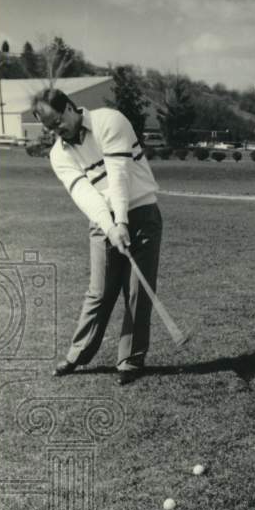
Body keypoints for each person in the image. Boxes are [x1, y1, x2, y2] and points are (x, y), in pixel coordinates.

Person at [33, 88, 164, 386]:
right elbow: (85, 194)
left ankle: (130, 360)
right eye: (50, 129)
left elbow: (118, 176)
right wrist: (111, 226)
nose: (57, 132)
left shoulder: (110, 121)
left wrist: (123, 221)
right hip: (103, 221)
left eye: (58, 123)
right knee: (99, 291)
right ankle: (78, 353)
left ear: (69, 107)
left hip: (141, 212)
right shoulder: (58, 153)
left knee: (136, 292)